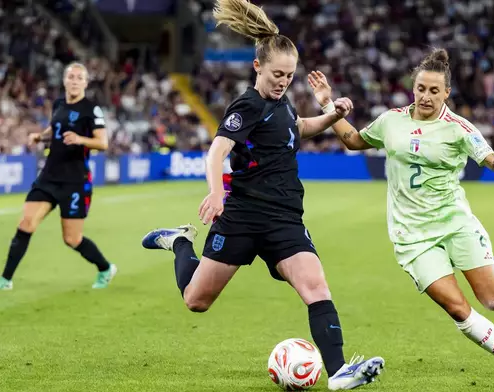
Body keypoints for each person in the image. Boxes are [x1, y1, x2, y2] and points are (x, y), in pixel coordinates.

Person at [141, 0, 384, 390]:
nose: (283, 81)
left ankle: (339, 372)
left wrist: (333, 114)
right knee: (195, 300)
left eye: (289, 75)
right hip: (242, 215)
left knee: (316, 287)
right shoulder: (248, 105)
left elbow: (298, 128)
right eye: (276, 74)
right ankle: (180, 242)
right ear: (258, 67)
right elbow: (217, 151)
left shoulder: (281, 103)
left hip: (285, 218)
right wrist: (216, 192)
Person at [308, 48, 494, 380]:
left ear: (446, 93)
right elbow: (353, 140)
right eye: (421, 89)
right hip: (412, 237)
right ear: (413, 88)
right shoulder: (391, 120)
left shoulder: (459, 128)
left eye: (434, 91)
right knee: (456, 307)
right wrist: (327, 104)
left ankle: (493, 269)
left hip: (455, 224)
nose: (425, 96)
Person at [0, 62, 117, 291]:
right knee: (26, 224)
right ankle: (5, 279)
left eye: (78, 77)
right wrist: (40, 137)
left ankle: (105, 268)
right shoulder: (59, 104)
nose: (74, 80)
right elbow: (55, 128)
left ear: (85, 83)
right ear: (64, 80)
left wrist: (81, 140)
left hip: (75, 181)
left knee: (72, 239)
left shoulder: (91, 109)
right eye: (70, 76)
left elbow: (103, 142)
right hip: (49, 177)